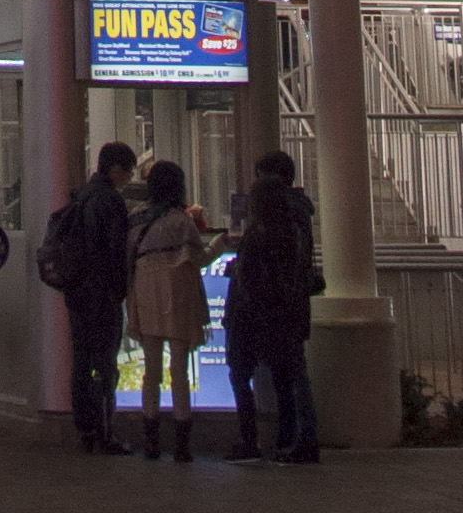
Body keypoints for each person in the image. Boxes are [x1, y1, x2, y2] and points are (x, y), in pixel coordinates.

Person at [226, 160, 320, 463]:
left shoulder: (258, 234)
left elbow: (249, 278)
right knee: (290, 376)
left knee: (244, 375)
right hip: (288, 311)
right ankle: (294, 440)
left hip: (255, 316)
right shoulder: (294, 228)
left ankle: (252, 440)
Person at [124, 158, 212, 460]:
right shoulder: (181, 220)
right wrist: (221, 245)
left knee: (151, 372)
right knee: (179, 370)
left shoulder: (136, 218)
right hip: (177, 297)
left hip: (144, 294)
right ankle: (182, 445)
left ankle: (151, 443)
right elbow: (199, 258)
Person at [54, 138, 138, 453]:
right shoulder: (109, 201)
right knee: (105, 365)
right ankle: (104, 432)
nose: (128, 179)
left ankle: (86, 430)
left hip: (77, 293)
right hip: (101, 294)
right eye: (127, 173)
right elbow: (115, 250)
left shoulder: (82, 196)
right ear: (116, 169)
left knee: (82, 361)